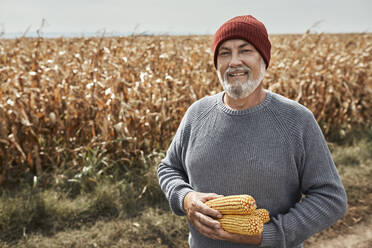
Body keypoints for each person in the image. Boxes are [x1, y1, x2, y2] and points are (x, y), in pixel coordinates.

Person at [157, 15, 347, 248]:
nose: (234, 61)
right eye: (225, 53)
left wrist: (268, 235)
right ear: (216, 63)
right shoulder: (197, 113)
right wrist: (185, 198)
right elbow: (169, 168)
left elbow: (331, 198)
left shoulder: (296, 120)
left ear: (264, 60)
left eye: (245, 51)